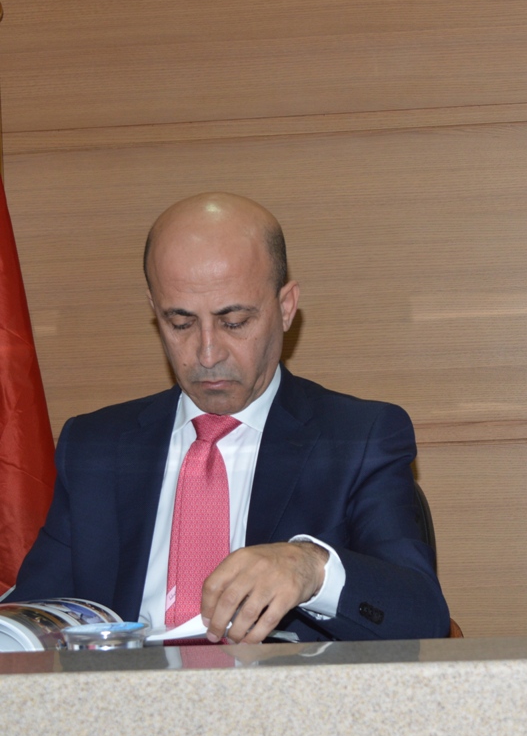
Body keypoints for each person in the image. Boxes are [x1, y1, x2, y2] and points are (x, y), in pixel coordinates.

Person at [8, 193, 450, 643]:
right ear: (154, 310)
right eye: (180, 323)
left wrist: (311, 568)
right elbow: (33, 617)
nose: (207, 353)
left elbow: (422, 618)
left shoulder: (358, 439)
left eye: (234, 321)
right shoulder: (96, 448)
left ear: (285, 307)